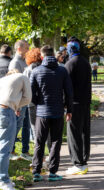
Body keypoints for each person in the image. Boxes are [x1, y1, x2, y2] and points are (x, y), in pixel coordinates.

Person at [31, 45, 73, 182]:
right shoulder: (62, 71)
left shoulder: (36, 71)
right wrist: (69, 109)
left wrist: (39, 103)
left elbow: (32, 94)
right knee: (56, 141)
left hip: (41, 112)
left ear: (42, 56)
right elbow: (68, 92)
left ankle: (36, 171)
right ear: (54, 55)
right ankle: (53, 172)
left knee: (39, 141)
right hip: (57, 111)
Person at [0, 69, 31, 190]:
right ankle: (3, 180)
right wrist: (17, 106)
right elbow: (28, 98)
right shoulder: (23, 76)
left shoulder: (3, 79)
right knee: (5, 147)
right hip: (7, 111)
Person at [65, 37, 91, 175]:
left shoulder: (70, 64)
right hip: (85, 103)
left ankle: (78, 163)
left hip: (75, 104)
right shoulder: (85, 62)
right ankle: (83, 161)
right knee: (84, 133)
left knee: (74, 134)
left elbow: (67, 88)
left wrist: (67, 106)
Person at [8, 40, 30, 160]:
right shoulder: (15, 62)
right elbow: (15, 85)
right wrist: (18, 105)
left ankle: (25, 151)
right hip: (19, 102)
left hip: (25, 100)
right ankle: (10, 150)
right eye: (26, 47)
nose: (28, 50)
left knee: (25, 126)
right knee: (17, 125)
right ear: (19, 49)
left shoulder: (23, 61)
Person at [23, 48, 42, 142]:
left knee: (34, 128)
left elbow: (25, 86)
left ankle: (38, 151)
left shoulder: (28, 70)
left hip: (31, 102)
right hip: (43, 102)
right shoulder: (44, 67)